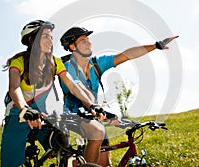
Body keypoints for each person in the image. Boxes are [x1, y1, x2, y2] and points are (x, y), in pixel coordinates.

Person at [59, 27, 179, 166]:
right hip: (74, 115)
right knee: (97, 133)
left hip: (96, 115)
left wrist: (155, 46)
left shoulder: (96, 64)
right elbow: (79, 91)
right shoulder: (67, 68)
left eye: (88, 40)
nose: (89, 43)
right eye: (84, 41)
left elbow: (126, 55)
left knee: (105, 164)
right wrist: (101, 111)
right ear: (73, 46)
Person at [0, 20, 105, 167]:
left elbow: (72, 86)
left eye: (51, 37)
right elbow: (14, 88)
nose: (50, 41)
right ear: (31, 40)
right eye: (45, 37)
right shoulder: (19, 61)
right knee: (10, 163)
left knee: (66, 150)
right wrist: (25, 110)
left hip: (47, 115)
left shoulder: (55, 62)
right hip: (19, 114)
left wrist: (91, 104)